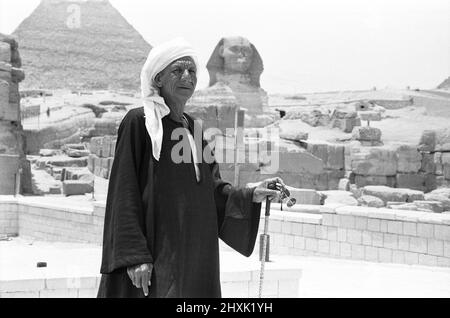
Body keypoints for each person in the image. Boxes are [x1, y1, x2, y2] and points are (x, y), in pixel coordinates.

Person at [97, 38, 284, 298]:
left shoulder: (193, 128)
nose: (187, 76)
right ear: (158, 79)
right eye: (177, 71)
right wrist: (134, 256)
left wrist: (251, 194)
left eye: (192, 71)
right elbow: (123, 193)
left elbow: (213, 190)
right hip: (153, 255)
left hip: (194, 257)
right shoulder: (139, 123)